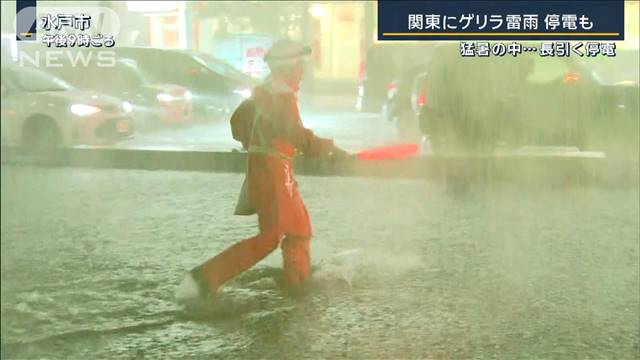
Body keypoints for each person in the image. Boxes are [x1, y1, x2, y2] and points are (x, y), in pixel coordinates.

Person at [184, 40, 349, 299]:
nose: (302, 73)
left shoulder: (265, 92)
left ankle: (297, 281)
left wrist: (258, 145)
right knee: (271, 236)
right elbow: (293, 132)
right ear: (287, 68)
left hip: (269, 166)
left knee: (298, 228)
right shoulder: (281, 96)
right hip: (273, 170)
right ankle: (204, 278)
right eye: (299, 67)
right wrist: (328, 149)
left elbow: (237, 123)